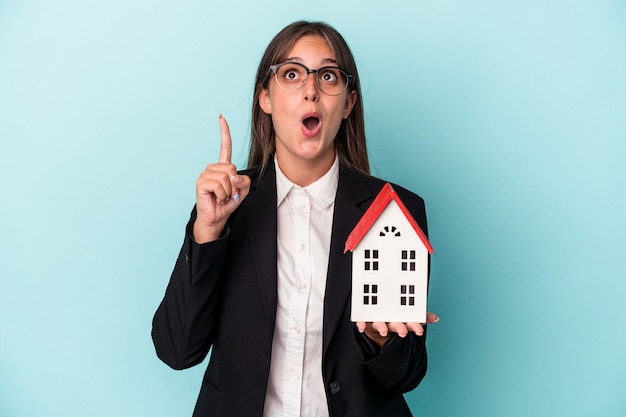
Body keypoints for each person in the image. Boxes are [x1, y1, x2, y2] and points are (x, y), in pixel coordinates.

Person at [152, 20, 438, 417]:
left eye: (328, 76)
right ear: (265, 98)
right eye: (291, 74)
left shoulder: (394, 211)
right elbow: (176, 350)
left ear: (348, 102)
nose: (310, 90)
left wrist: (381, 342)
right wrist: (207, 233)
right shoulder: (226, 206)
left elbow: (406, 375)